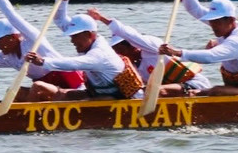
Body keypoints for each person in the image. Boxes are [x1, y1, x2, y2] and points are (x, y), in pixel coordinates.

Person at [160, 0, 238, 95]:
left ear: (231, 20)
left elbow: (210, 56)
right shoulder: (225, 28)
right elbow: (194, 9)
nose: (212, 25)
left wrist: (177, 52)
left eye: (216, 21)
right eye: (211, 21)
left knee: (216, 90)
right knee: (193, 91)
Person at [82, 6, 210, 96]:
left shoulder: (153, 47)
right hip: (169, 92)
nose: (117, 55)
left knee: (155, 90)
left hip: (194, 85)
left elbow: (130, 34)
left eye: (119, 50)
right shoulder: (130, 67)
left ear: (132, 46)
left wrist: (101, 18)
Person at [23, 13, 136, 99]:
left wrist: (43, 61)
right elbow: (59, 20)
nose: (72, 41)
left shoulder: (100, 54)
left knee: (88, 100)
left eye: (75, 36)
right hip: (98, 93)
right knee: (58, 93)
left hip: (120, 99)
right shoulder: (89, 41)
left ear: (88, 34)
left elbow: (74, 64)